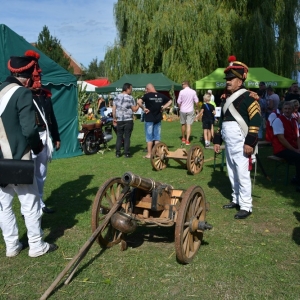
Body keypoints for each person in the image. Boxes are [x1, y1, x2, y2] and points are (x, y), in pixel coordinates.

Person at [0, 52, 58, 257]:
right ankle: (36, 245)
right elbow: (29, 130)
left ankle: (12, 246)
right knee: (30, 201)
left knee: (4, 206)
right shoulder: (22, 93)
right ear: (26, 76)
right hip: (17, 159)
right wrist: (38, 148)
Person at [213, 56, 261, 219]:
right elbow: (222, 121)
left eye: (231, 79)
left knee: (242, 173)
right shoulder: (224, 99)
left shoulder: (249, 97)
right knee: (232, 171)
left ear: (240, 81)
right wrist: (217, 140)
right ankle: (236, 199)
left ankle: (246, 206)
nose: (228, 81)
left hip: (242, 142)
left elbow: (256, 121)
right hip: (229, 142)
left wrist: (250, 142)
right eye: (227, 78)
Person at [31, 86, 61, 214]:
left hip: (45, 134)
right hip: (31, 136)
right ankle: (29, 207)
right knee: (30, 174)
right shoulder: (25, 95)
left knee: (41, 172)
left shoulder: (45, 96)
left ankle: (40, 203)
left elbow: (51, 118)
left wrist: (56, 137)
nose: (38, 82)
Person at [137, 83, 172, 158]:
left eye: (146, 89)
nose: (145, 91)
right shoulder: (161, 95)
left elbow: (139, 102)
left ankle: (149, 154)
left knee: (149, 137)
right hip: (158, 118)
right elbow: (170, 101)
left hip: (149, 119)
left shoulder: (147, 95)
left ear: (148, 89)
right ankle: (157, 153)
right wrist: (163, 107)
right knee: (157, 137)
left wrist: (143, 108)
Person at [271, 101, 300, 192]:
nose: (287, 111)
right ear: (282, 109)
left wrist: (299, 148)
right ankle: (298, 182)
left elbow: (298, 136)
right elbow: (281, 139)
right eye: (285, 109)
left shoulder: (294, 120)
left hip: (292, 147)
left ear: (293, 110)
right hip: (281, 149)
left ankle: (296, 178)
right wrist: (295, 150)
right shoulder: (278, 120)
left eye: (289, 109)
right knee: (298, 157)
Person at [112, 83, 139, 158]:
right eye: (131, 89)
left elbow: (113, 109)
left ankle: (117, 153)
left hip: (119, 120)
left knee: (119, 136)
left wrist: (114, 118)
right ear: (127, 89)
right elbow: (134, 110)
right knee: (127, 136)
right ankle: (126, 153)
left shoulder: (116, 97)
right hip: (128, 120)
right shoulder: (130, 98)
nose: (131, 91)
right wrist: (139, 104)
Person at [177, 81, 199, 145]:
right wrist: (197, 108)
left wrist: (180, 108)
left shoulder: (181, 92)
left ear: (185, 84)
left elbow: (178, 102)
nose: (182, 85)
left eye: (182, 84)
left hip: (183, 110)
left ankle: (183, 138)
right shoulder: (193, 92)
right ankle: (187, 140)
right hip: (190, 110)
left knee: (183, 124)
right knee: (189, 125)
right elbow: (196, 101)